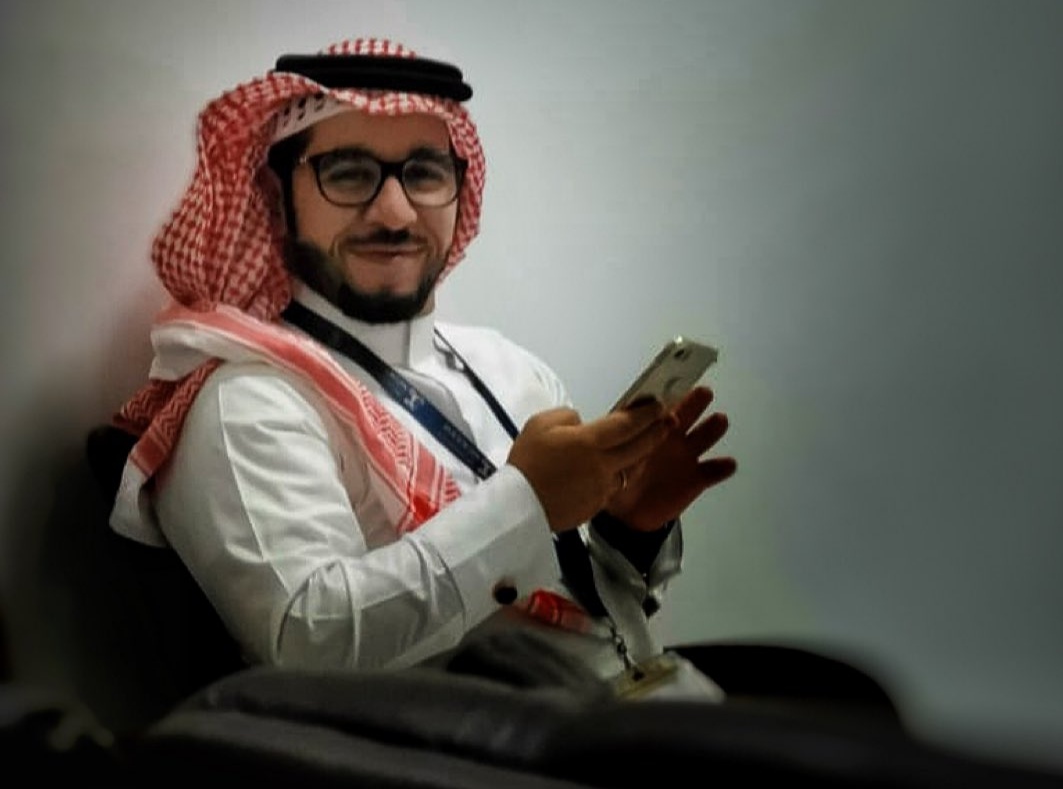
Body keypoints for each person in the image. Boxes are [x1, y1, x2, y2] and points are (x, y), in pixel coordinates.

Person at [108, 37, 736, 687]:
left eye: (425, 174)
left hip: (661, 702)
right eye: (348, 174)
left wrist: (628, 531)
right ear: (276, 197)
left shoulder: (513, 370)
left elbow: (586, 609)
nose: (395, 212)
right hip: (509, 740)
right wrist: (527, 504)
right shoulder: (250, 403)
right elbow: (308, 647)